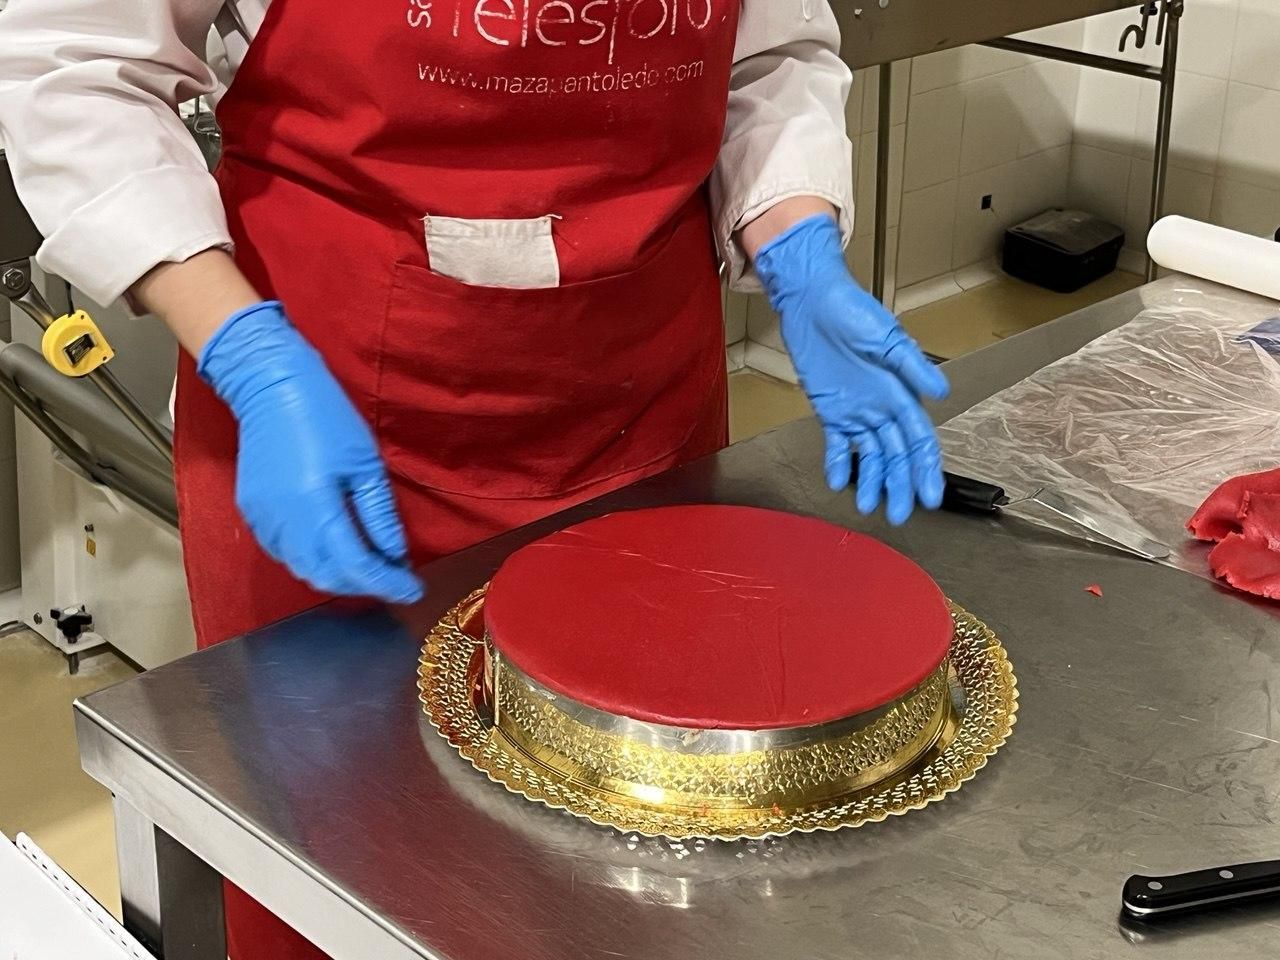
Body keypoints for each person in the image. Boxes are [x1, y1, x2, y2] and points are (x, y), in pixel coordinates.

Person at [0, 1, 948, 956]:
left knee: (632, 855)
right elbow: (75, 69)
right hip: (327, 409)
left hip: (640, 398)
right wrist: (249, 355)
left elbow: (767, 53)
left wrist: (797, 247)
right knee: (337, 857)